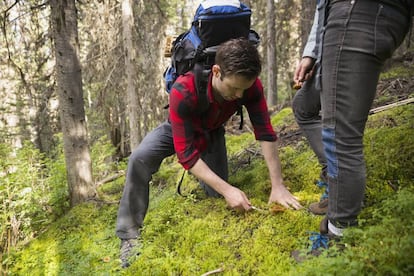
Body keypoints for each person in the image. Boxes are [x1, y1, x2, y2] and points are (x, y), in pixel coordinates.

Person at [116, 37, 303, 268]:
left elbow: (265, 131)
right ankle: (129, 236)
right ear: (216, 71)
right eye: (233, 88)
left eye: (242, 90)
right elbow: (185, 154)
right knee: (139, 158)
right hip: (178, 130)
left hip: (212, 132)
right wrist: (228, 189)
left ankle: (205, 178)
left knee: (216, 196)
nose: (238, 95)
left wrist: (278, 185)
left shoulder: (249, 87)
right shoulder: (183, 90)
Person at [293, 0, 413, 258]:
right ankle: (340, 189)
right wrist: (311, 53)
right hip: (342, 18)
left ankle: (338, 239)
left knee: (341, 138)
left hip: (358, 15)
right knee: (304, 106)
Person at [292, 7, 329, 215]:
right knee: (303, 106)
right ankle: (332, 172)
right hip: (328, 49)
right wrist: (311, 54)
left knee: (337, 118)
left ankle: (342, 211)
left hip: (352, 41)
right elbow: (322, 9)